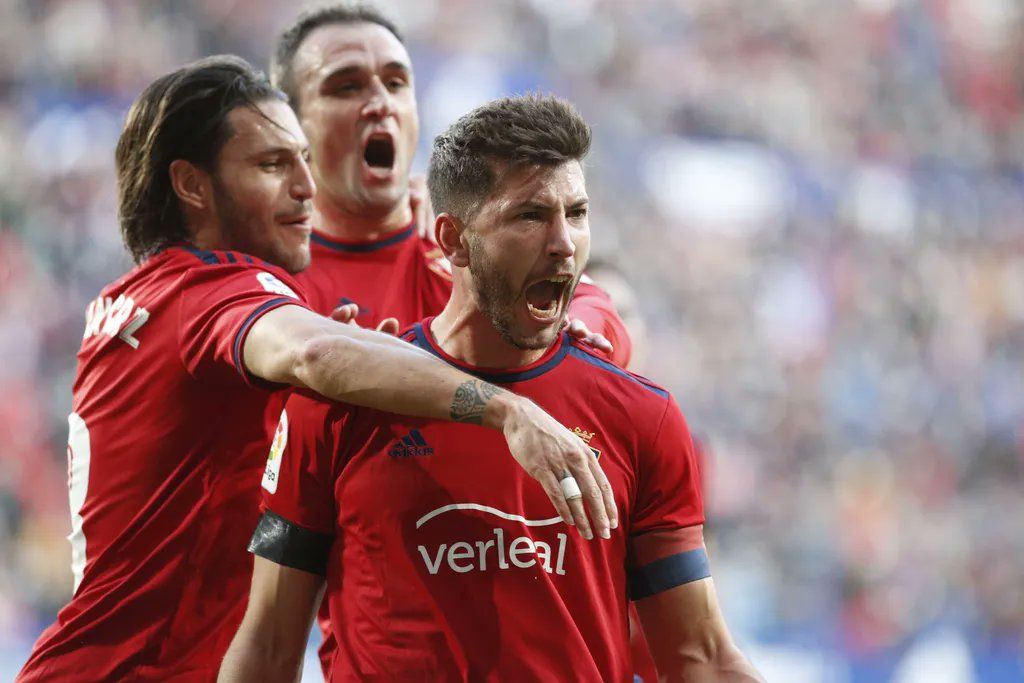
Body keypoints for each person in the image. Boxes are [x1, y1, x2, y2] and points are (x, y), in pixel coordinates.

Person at [17, 58, 616, 683]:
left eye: (304, 159)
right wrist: (506, 409)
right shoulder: (208, 292)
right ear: (193, 186)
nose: (307, 185)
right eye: (273, 165)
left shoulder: (145, 300)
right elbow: (314, 354)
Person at [219, 95, 762, 682]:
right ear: (452, 240)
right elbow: (270, 647)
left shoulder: (641, 417)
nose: (563, 244)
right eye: (529, 216)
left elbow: (700, 658)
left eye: (576, 213)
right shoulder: (339, 408)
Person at [270, 4, 632, 363]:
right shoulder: (268, 268)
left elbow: (599, 311)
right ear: (290, 121)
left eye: (396, 83)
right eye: (347, 87)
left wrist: (577, 328)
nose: (381, 103)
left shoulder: (463, 243)